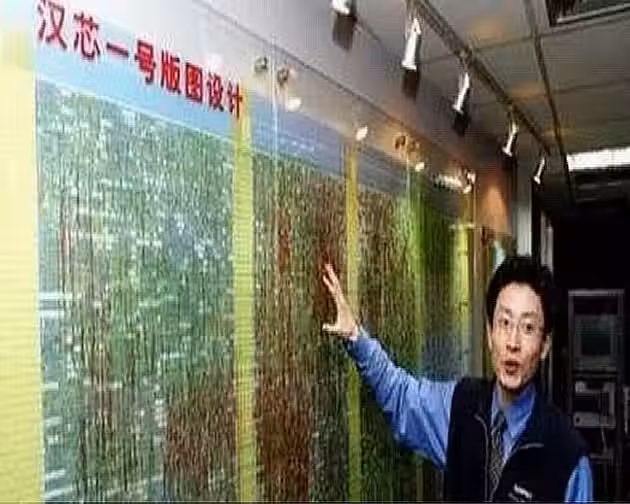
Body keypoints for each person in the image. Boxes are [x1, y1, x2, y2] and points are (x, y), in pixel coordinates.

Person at [322, 254, 593, 502]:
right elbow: (402, 396)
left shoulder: (568, 457)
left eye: (528, 328)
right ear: (489, 334)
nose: (513, 342)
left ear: (544, 345)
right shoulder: (460, 407)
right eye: (504, 323)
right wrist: (355, 337)